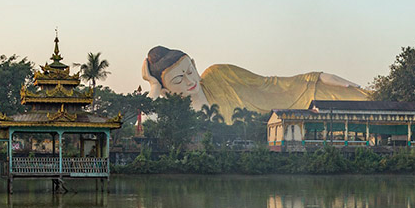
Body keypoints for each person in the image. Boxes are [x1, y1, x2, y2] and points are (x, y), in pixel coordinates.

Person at [142, 46, 370, 119]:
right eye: (179, 79)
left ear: (194, 63)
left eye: (191, 70)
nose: (191, 81)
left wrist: (317, 78)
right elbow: (140, 118)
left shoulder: (218, 75)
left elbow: (267, 84)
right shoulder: (177, 116)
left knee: (360, 100)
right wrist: (153, 86)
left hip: (295, 106)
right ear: (165, 89)